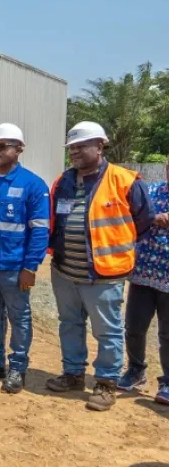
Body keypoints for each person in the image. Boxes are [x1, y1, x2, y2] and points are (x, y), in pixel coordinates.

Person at [46, 121, 154, 411]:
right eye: (72, 148)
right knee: (69, 324)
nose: (75, 152)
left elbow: (143, 222)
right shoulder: (63, 181)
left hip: (104, 274)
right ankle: (73, 373)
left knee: (107, 331)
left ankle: (106, 384)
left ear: (100, 145)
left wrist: (115, 250)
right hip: (65, 271)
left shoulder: (125, 180)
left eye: (81, 146)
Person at [0, 124, 50, 393]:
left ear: (19, 149)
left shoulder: (33, 185)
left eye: (3, 146)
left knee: (19, 317)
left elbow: (40, 230)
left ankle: (17, 367)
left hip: (15, 267)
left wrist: (30, 266)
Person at [118, 160, 169, 404]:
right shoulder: (151, 190)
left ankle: (168, 382)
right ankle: (136, 370)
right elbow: (133, 216)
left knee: (167, 334)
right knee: (134, 328)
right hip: (142, 273)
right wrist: (154, 217)